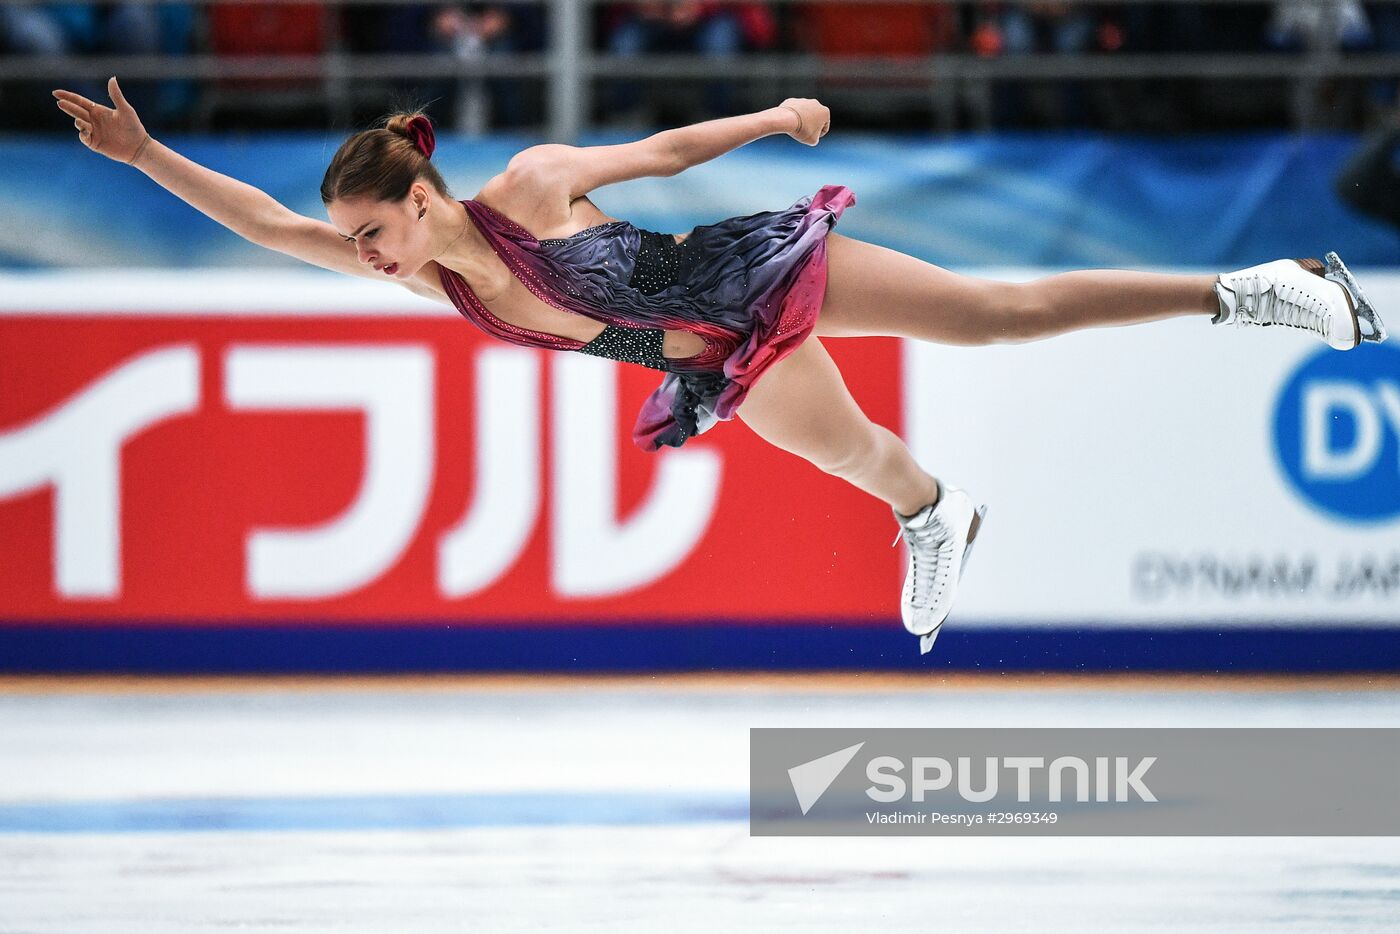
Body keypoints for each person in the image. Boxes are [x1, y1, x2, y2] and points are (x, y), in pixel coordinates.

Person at [52, 77, 1389, 655]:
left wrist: (773, 115)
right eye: (358, 245)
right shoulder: (420, 272)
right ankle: (935, 512)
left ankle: (1260, 291)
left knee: (1001, 312)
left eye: (372, 234)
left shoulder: (532, 187)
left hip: (749, 279)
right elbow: (269, 224)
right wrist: (151, 157)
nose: (365, 258)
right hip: (723, 358)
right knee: (863, 451)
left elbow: (661, 154)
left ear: (418, 196)